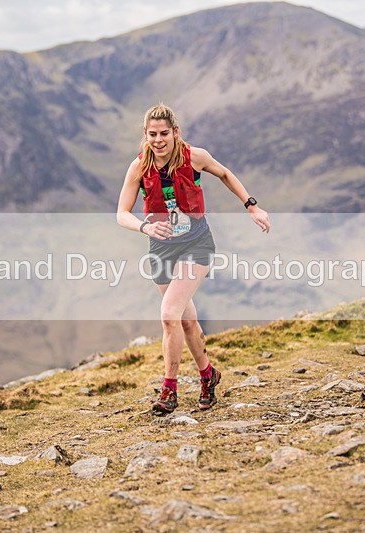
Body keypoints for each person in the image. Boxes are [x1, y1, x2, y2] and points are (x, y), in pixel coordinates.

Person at [116, 104, 270, 415]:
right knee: (185, 321)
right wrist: (145, 225)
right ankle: (208, 375)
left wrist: (251, 206)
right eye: (152, 135)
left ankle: (168, 391)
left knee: (169, 315)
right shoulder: (138, 167)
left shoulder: (194, 156)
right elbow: (121, 214)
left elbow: (225, 173)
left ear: (175, 133)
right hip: (160, 248)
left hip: (196, 244)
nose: (158, 140)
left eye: (164, 134)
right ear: (144, 136)